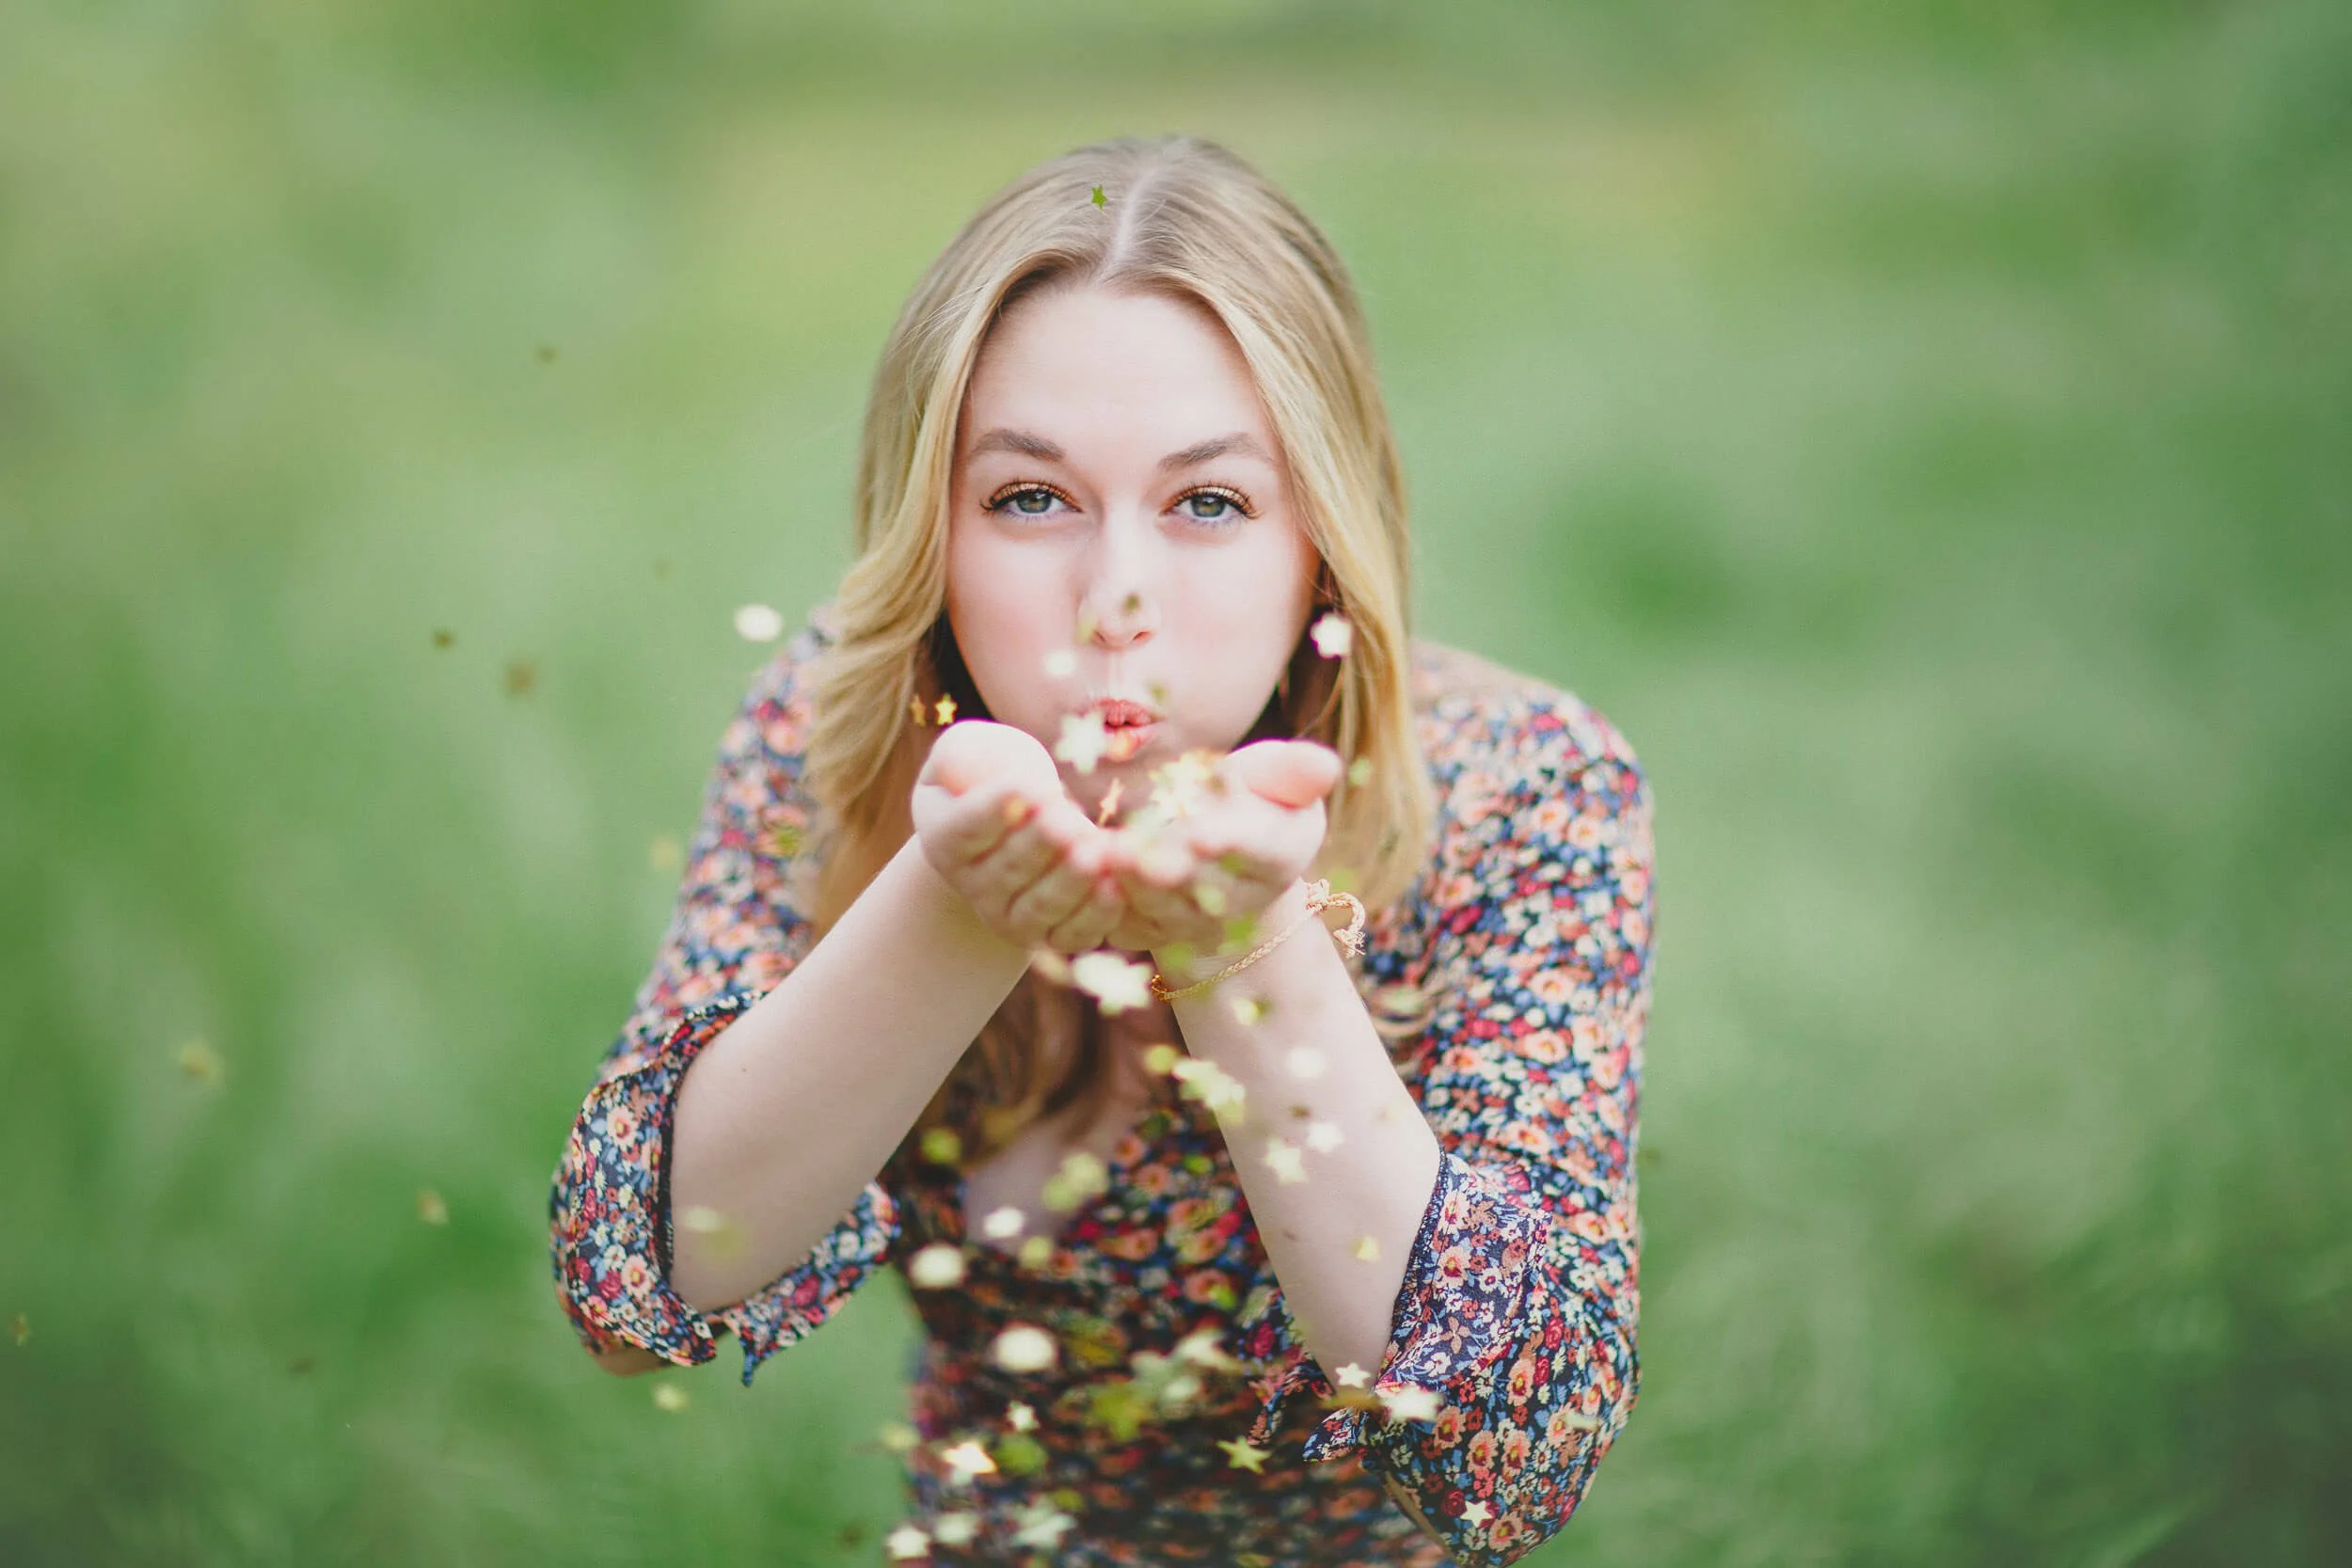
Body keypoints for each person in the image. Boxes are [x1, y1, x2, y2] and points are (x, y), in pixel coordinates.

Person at [548, 134, 1655, 1568]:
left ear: (1318, 536)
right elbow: (634, 1294)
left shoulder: (1525, 791)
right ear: (932, 532)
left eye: (1208, 503)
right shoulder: (847, 730)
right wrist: (957, 904)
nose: (1115, 596)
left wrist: (1244, 949)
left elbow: (1519, 1441)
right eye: (1029, 498)